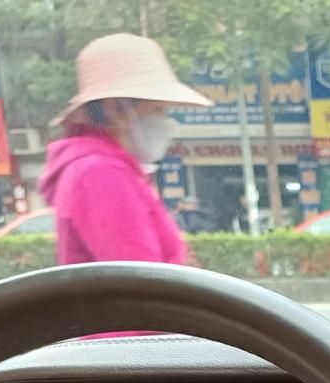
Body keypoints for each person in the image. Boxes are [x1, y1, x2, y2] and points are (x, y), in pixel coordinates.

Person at [39, 33, 211, 265]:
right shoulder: (100, 174)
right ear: (115, 109)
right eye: (156, 110)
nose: (165, 121)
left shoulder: (104, 168)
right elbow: (139, 277)